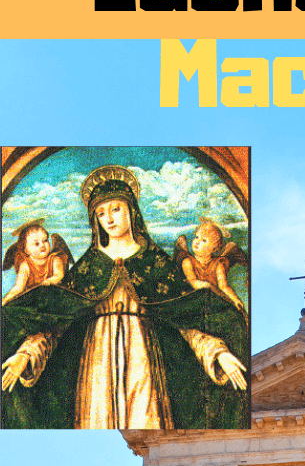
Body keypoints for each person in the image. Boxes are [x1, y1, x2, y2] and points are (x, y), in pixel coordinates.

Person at [1, 165, 249, 429]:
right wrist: (26, 354)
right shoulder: (89, 266)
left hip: (144, 362)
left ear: (132, 211)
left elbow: (184, 319)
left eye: (115, 209)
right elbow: (58, 323)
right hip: (95, 367)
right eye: (101, 213)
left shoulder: (155, 262)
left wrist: (218, 353)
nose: (108, 219)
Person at [175, 219, 247, 313]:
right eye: (197, 237)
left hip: (214, 300)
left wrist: (235, 299)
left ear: (214, 249)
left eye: (204, 240)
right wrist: (206, 285)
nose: (197, 242)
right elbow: (192, 281)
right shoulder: (187, 261)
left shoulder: (218, 264)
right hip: (195, 300)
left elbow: (224, 286)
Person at [2, 220, 71, 303]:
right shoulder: (25, 266)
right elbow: (18, 287)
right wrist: (6, 299)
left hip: (53, 296)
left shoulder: (54, 259)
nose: (42, 245)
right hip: (34, 300)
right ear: (26, 250)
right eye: (36, 244)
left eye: (45, 240)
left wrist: (50, 281)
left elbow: (59, 275)